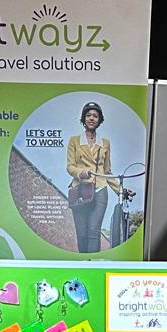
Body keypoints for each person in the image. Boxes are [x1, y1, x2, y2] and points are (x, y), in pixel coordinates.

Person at [66, 101, 117, 254]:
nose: (91, 118)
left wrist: (121, 190)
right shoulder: (74, 140)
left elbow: (107, 171)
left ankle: (93, 265)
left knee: (94, 231)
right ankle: (83, 265)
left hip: (100, 189)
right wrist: (82, 172)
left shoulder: (105, 143)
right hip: (80, 190)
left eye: (95, 116)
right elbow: (70, 166)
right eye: (88, 115)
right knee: (81, 234)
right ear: (83, 119)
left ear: (99, 120)